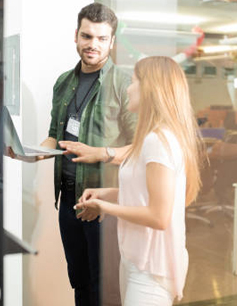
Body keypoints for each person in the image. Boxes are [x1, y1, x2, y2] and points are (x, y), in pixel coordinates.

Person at [9, 3, 136, 305]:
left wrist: (102, 153)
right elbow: (55, 135)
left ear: (112, 42)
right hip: (68, 200)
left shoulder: (124, 85)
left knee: (105, 288)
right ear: (76, 36)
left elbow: (140, 146)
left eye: (101, 38)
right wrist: (32, 153)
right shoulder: (63, 82)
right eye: (87, 36)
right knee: (79, 279)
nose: (93, 44)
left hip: (103, 203)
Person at [62, 56, 203, 305]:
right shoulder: (152, 138)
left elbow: (159, 217)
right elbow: (144, 192)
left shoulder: (158, 141)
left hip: (151, 269)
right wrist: (106, 193)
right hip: (137, 259)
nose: (128, 88)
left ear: (150, 89)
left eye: (134, 81)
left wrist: (103, 208)